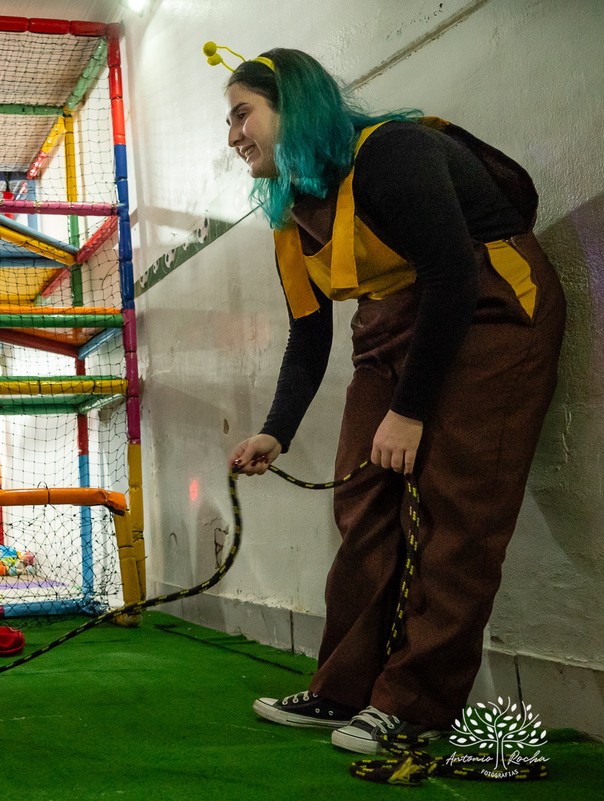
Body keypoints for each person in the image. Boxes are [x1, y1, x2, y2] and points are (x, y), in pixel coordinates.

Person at [221, 48, 566, 754]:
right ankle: (343, 688)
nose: (232, 135)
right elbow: (309, 333)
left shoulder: (392, 153)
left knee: (457, 508)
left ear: (295, 104)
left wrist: (408, 412)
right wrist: (275, 432)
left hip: (492, 309)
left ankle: (414, 704)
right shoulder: (288, 213)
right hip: (393, 325)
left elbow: (450, 276)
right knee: (362, 498)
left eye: (242, 113)